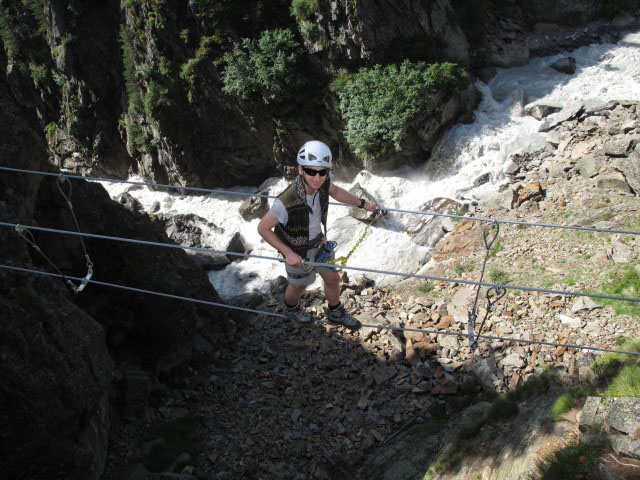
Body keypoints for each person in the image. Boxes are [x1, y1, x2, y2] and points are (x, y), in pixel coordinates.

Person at [257, 140, 378, 330]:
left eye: (322, 172)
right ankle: (291, 308)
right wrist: (288, 253)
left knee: (333, 278)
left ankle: (335, 312)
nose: (317, 177)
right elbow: (263, 228)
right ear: (300, 170)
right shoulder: (285, 201)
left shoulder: (323, 184)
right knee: (299, 286)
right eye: (311, 171)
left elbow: (337, 192)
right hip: (297, 250)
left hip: (319, 243)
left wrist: (363, 204)